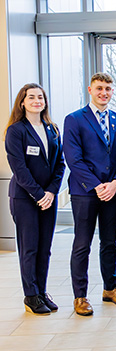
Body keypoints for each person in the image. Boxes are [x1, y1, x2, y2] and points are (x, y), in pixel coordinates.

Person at [63, 72, 116, 316]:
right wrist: (96, 185)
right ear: (90, 90)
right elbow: (74, 159)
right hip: (85, 192)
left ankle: (110, 288)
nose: (104, 93)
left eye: (108, 89)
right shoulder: (74, 119)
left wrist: (114, 183)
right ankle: (80, 296)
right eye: (99, 88)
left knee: (110, 242)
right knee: (82, 244)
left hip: (112, 191)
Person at [5, 83, 65, 315]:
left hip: (48, 198)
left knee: (45, 248)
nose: (37, 101)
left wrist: (51, 192)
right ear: (22, 102)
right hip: (24, 199)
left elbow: (60, 164)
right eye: (31, 97)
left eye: (40, 97)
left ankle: (41, 291)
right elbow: (19, 169)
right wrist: (39, 194)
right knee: (29, 248)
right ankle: (30, 295)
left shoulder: (52, 129)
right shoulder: (16, 130)